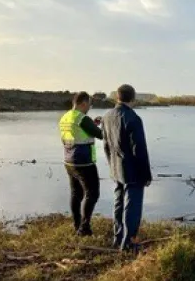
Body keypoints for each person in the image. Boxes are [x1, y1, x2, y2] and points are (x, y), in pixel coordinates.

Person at [101, 84, 152, 251]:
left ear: (117, 97)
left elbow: (106, 145)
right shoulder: (133, 118)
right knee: (132, 206)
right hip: (132, 170)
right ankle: (129, 242)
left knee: (118, 202)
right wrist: (146, 174)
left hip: (116, 168)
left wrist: (111, 165)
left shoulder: (107, 116)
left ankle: (118, 237)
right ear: (133, 98)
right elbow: (140, 149)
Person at [58, 92, 103, 236]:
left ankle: (77, 225)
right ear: (83, 103)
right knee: (93, 193)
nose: (90, 106)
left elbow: (78, 132)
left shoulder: (65, 117)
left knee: (76, 194)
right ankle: (84, 228)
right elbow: (101, 135)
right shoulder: (82, 118)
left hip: (69, 161)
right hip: (84, 162)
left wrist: (93, 123)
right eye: (90, 104)